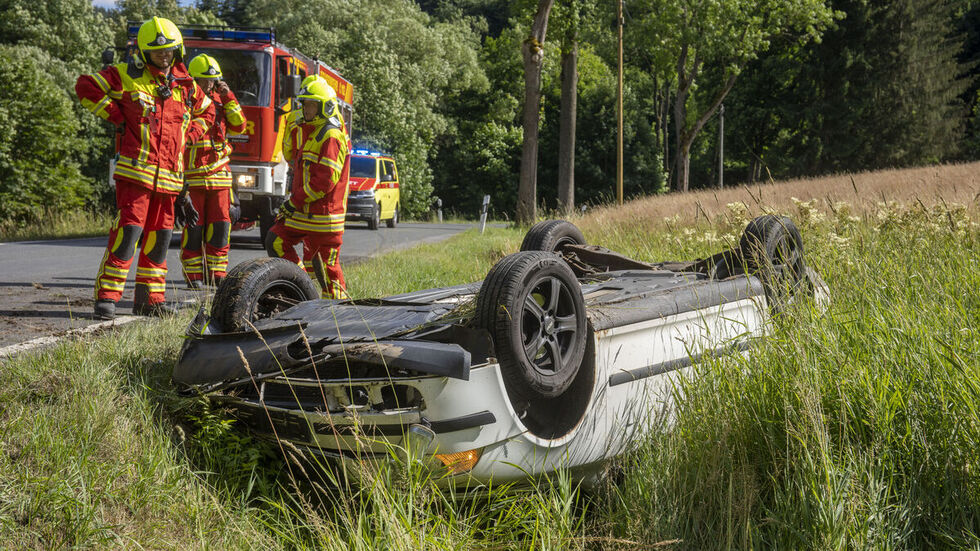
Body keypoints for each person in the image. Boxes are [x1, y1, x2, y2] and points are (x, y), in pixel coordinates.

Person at [77, 17, 214, 320]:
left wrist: (188, 136)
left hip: (170, 181)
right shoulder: (125, 75)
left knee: (160, 238)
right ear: (144, 52)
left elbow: (208, 111)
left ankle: (150, 300)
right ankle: (107, 297)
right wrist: (116, 116)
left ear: (178, 50)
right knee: (128, 233)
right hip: (136, 174)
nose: (164, 56)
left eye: (168, 50)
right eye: (157, 51)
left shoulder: (186, 85)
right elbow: (86, 86)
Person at [265, 77, 351, 299]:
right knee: (276, 239)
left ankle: (338, 311)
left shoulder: (330, 135)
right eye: (304, 104)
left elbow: (324, 182)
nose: (305, 109)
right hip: (307, 212)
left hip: (324, 216)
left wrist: (293, 203)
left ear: (324, 107)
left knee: (326, 270)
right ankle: (303, 293)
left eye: (311, 105)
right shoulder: (311, 130)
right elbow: (292, 159)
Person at [179, 54, 247, 289]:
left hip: (219, 175)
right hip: (193, 175)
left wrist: (228, 96)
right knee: (194, 227)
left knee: (220, 226)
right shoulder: (185, 100)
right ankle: (193, 275)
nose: (208, 85)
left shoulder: (221, 100)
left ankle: (217, 273)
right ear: (194, 79)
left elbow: (239, 126)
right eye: (204, 80)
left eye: (212, 80)